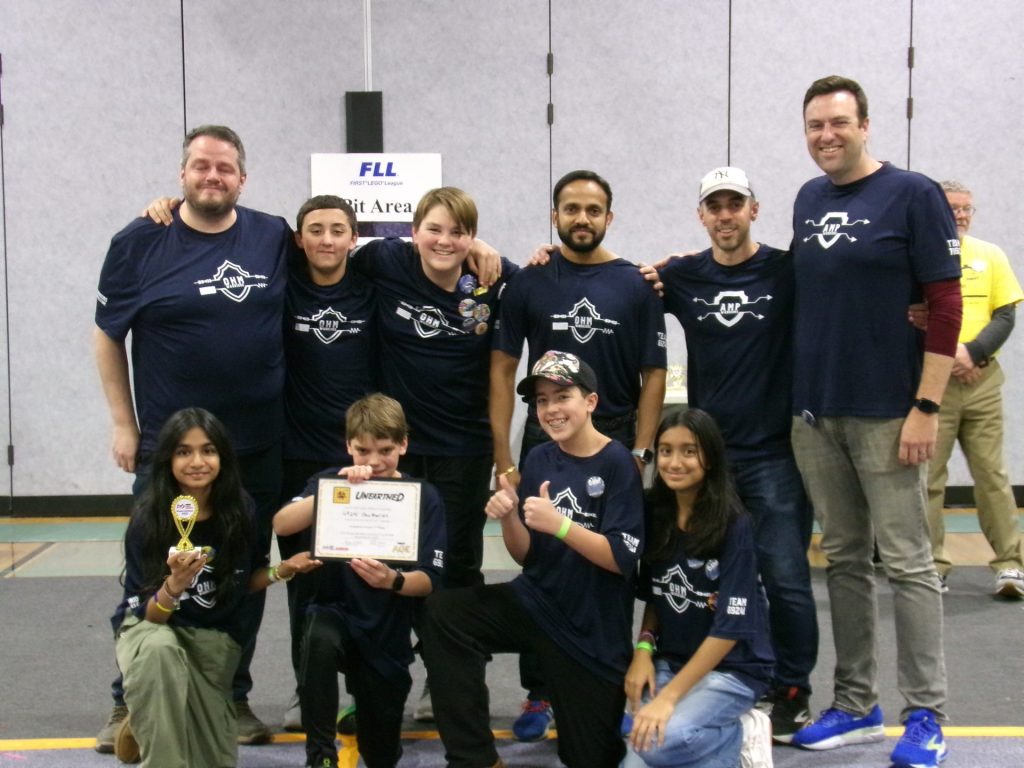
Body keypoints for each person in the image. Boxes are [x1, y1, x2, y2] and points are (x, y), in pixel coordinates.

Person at [94, 124, 294, 748]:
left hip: (256, 446)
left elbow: (346, 253)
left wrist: (476, 249)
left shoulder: (272, 235)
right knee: (150, 571)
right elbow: (108, 335)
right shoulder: (139, 242)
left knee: (242, 574)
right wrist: (124, 423)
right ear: (181, 174)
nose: (213, 176)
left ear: (243, 178)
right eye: (201, 166)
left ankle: (230, 696)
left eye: (225, 167)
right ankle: (127, 701)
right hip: (169, 449)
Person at [788, 76, 962, 768]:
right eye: (815, 125)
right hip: (816, 415)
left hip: (891, 414)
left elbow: (945, 307)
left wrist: (925, 407)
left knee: (910, 564)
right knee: (844, 563)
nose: (826, 135)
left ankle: (927, 714)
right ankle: (856, 705)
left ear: (865, 125)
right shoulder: (807, 198)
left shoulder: (913, 194)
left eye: (838, 122)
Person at [489, 169, 666, 739]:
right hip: (546, 435)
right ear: (555, 216)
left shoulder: (637, 284)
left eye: (593, 210)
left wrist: (640, 450)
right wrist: (503, 455)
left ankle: (607, 674)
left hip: (613, 437)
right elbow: (503, 370)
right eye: (571, 209)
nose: (582, 219)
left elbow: (654, 373)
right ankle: (539, 691)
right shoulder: (531, 281)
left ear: (608, 217)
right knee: (542, 559)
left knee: (612, 563)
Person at [420, 350, 644, 768]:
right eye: (542, 400)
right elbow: (527, 555)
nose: (551, 409)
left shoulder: (618, 462)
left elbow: (621, 558)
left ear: (590, 401)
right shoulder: (540, 457)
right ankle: (476, 759)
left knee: (591, 759)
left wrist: (560, 525)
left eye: (562, 396)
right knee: (443, 612)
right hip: (536, 602)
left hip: (590, 633)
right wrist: (509, 517)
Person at [658, 167, 818, 743]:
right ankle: (724, 673)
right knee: (706, 576)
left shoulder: (787, 269)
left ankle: (792, 690)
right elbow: (621, 280)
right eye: (715, 206)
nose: (725, 215)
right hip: (709, 462)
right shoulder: (682, 276)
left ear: (754, 209)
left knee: (786, 578)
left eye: (735, 204)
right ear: (701, 215)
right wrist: (547, 256)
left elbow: (851, 288)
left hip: (774, 455)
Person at [347, 186, 517, 719]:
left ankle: (452, 682)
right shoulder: (385, 260)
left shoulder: (492, 278)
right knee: (385, 562)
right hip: (395, 451)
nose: (445, 241)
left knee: (456, 567)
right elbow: (310, 247)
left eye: (458, 232)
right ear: (413, 231)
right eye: (434, 229)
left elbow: (551, 274)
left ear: (472, 237)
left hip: (463, 451)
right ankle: (377, 682)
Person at [110, 408, 321, 767]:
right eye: (184, 452)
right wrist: (175, 585)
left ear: (222, 457)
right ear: (168, 460)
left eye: (208, 450)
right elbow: (149, 615)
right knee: (161, 654)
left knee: (214, 759)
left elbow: (241, 581)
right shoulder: (149, 517)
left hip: (212, 638)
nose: (197, 462)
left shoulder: (241, 510)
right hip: (153, 630)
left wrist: (282, 570)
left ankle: (148, 712)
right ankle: (155, 715)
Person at [273, 394, 446, 768]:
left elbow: (430, 579)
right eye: (363, 450)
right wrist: (334, 491)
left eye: (385, 450)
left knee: (380, 752)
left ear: (403, 444)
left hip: (386, 632)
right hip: (334, 611)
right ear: (348, 446)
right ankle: (321, 756)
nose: (373, 461)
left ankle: (371, 734)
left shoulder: (424, 497)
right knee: (317, 638)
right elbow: (282, 524)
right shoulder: (329, 482)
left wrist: (393, 580)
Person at [623, 408, 774, 768]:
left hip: (732, 670)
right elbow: (658, 596)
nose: (675, 462)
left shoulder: (734, 524)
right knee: (637, 748)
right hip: (673, 660)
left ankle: (742, 733)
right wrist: (643, 650)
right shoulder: (655, 512)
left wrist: (668, 699)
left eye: (689, 451)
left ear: (710, 456)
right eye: (666, 450)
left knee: (654, 744)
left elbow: (729, 631)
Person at [278, 195, 377, 732]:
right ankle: (307, 691)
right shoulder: (283, 286)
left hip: (361, 463)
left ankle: (362, 692)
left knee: (361, 581)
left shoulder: (371, 288)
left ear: (353, 238)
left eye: (338, 229)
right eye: (315, 229)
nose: (326, 239)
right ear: (299, 239)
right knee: (305, 583)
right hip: (298, 457)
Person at [927, 180, 1024, 598]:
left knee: (992, 476)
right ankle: (933, 567)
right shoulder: (920, 257)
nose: (962, 215)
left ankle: (1010, 565)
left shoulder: (991, 255)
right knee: (929, 479)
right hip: (934, 383)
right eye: (953, 208)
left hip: (982, 381)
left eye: (967, 208)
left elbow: (1005, 316)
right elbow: (909, 315)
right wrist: (950, 357)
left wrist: (973, 353)